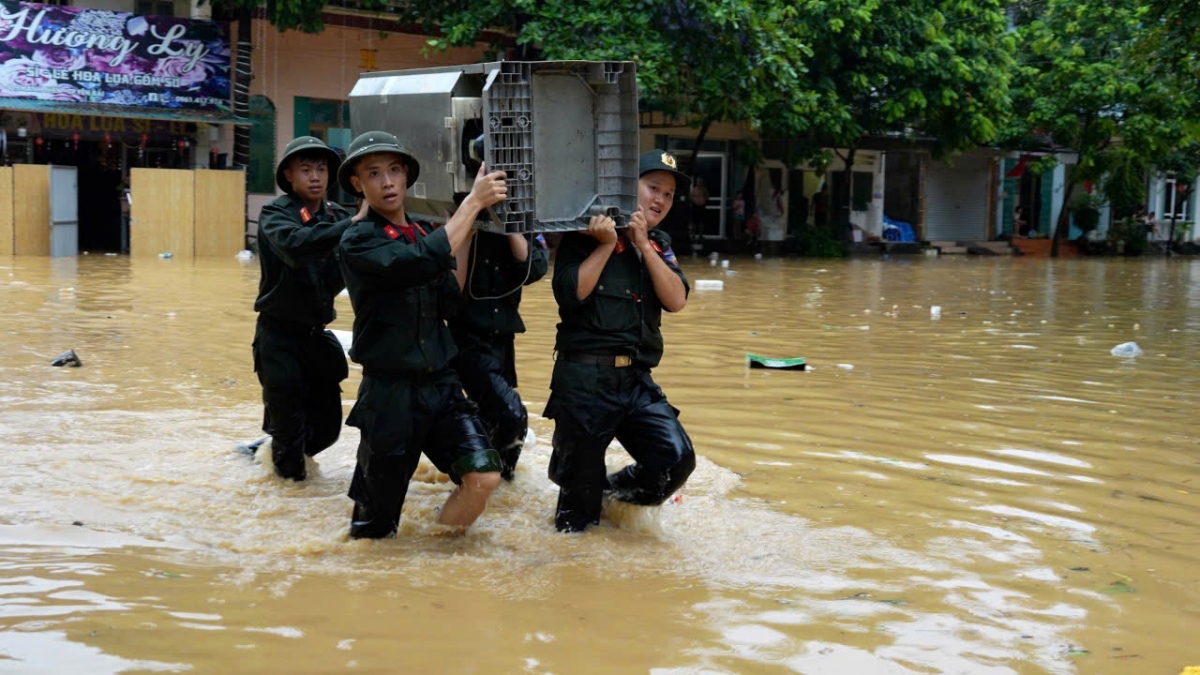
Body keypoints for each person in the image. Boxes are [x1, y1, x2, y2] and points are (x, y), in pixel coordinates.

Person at [336, 131, 508, 539]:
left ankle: (438, 556)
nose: (388, 181)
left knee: (483, 475)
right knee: (374, 529)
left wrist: (467, 227)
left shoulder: (423, 233)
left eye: (394, 170)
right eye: (374, 173)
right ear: (358, 184)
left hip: (442, 386)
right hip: (390, 394)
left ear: (407, 176)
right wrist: (471, 204)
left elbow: (451, 299)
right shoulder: (358, 240)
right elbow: (416, 262)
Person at [543, 150, 697, 533]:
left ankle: (609, 497)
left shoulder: (657, 242)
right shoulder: (585, 229)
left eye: (669, 194)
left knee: (675, 460)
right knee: (575, 518)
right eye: (653, 188)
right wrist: (606, 244)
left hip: (635, 382)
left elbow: (676, 300)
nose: (660, 199)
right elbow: (570, 294)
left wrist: (643, 245)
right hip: (584, 381)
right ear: (629, 187)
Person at [250, 136, 368, 481]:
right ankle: (286, 480)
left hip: (316, 338)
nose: (315, 176)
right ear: (288, 175)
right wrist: (352, 224)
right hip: (278, 338)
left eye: (321, 169)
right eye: (306, 170)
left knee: (328, 428)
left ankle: (270, 455)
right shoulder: (276, 214)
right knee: (289, 432)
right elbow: (296, 245)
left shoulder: (337, 215)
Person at [448, 227, 549, 481]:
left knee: (489, 419)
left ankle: (476, 484)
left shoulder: (522, 221)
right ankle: (496, 483)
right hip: (467, 339)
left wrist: (509, 226)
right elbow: (443, 279)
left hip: (504, 341)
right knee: (512, 415)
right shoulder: (459, 216)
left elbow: (536, 268)